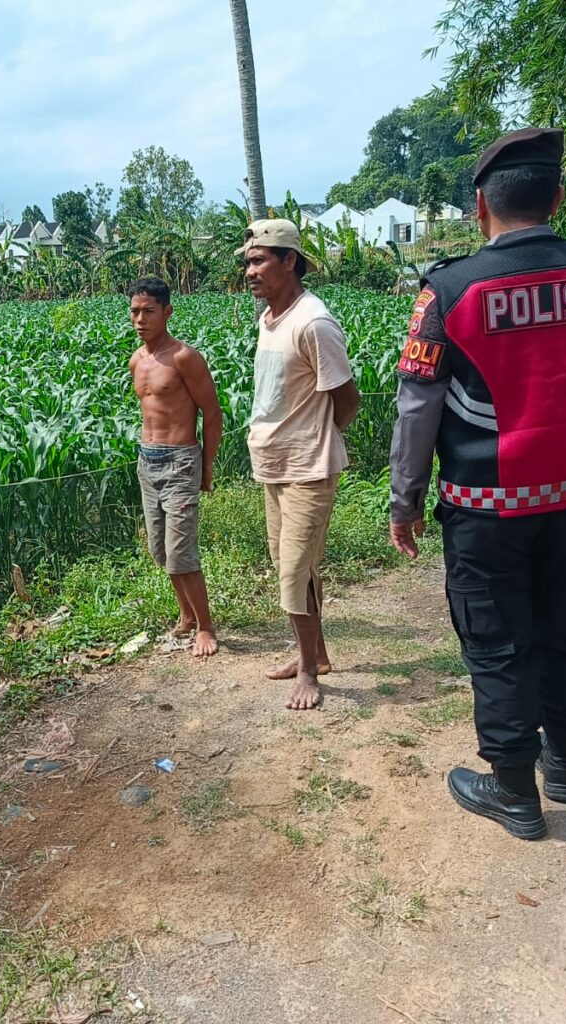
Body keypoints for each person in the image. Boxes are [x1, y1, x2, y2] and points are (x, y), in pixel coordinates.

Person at [388, 129, 566, 840]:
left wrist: (403, 500)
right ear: (558, 197)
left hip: (484, 508)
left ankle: (514, 794)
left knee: (497, 642)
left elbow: (417, 406)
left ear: (479, 207)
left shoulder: (448, 290)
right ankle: (562, 766)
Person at [238, 220, 361, 709]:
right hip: (274, 463)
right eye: (247, 261)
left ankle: (309, 673)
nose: (250, 271)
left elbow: (346, 399)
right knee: (295, 568)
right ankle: (318, 653)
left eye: (259, 260)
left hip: (308, 467)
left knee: (292, 572)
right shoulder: (270, 318)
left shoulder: (313, 322)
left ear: (290, 261)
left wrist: (317, 438)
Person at [129, 277, 222, 657]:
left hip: (180, 461)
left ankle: (206, 626)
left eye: (149, 311)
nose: (140, 319)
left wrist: (206, 464)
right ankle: (185, 616)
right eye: (135, 311)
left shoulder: (184, 357)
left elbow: (212, 412)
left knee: (182, 550)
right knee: (161, 550)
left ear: (167, 312)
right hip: (147, 460)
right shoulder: (137, 359)